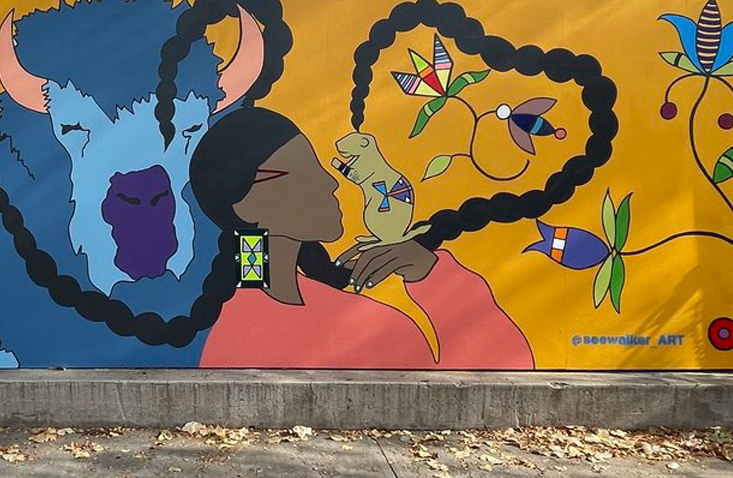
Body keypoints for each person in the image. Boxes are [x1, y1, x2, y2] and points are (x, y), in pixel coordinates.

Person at [190, 107, 534, 369]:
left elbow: (505, 367)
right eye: (305, 171)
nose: (331, 183)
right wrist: (436, 277)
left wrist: (429, 271)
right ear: (246, 205)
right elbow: (503, 363)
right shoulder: (241, 332)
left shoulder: (335, 308)